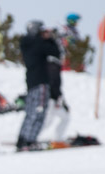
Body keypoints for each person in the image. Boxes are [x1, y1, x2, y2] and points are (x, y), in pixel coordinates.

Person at [16, 20, 60, 151]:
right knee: (39, 112)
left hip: (31, 82)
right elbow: (55, 52)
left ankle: (22, 139)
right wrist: (51, 39)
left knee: (30, 112)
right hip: (41, 82)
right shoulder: (40, 43)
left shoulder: (26, 43)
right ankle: (29, 141)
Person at [42, 29, 70, 141]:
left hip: (54, 99)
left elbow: (57, 85)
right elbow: (53, 83)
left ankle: (58, 138)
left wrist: (61, 100)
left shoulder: (55, 66)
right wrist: (56, 97)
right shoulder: (52, 65)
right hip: (49, 98)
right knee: (47, 121)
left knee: (65, 117)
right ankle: (30, 138)